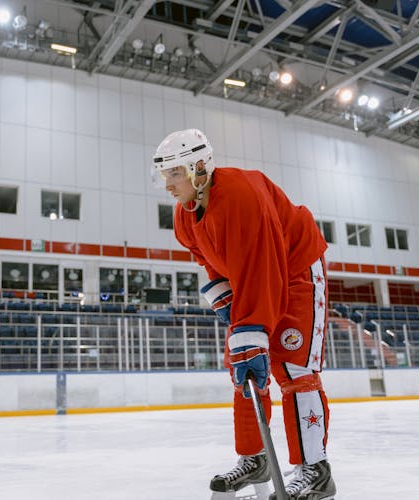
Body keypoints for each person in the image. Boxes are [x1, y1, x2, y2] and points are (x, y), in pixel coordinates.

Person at [151, 129, 336, 500]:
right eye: (164, 175)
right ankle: (255, 458)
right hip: (256, 277)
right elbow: (212, 261)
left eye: (174, 173)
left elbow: (263, 264)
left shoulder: (241, 196)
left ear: (198, 168)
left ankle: (315, 469)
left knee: (292, 367)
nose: (168, 184)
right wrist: (231, 308)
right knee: (243, 364)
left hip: (297, 267)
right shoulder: (184, 216)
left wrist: (251, 328)